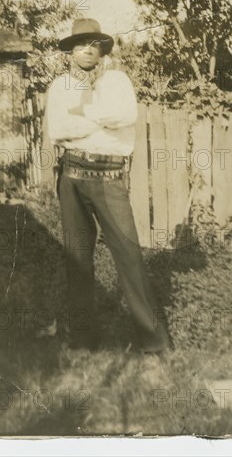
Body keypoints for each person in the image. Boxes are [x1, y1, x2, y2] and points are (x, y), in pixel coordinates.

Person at [45, 18, 169, 353]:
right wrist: (98, 119)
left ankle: (155, 344)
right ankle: (84, 339)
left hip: (108, 177)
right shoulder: (59, 87)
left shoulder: (117, 81)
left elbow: (125, 116)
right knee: (78, 258)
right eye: (80, 44)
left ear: (101, 49)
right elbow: (58, 129)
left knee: (129, 255)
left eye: (93, 44)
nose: (86, 50)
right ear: (70, 51)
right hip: (71, 176)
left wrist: (83, 116)